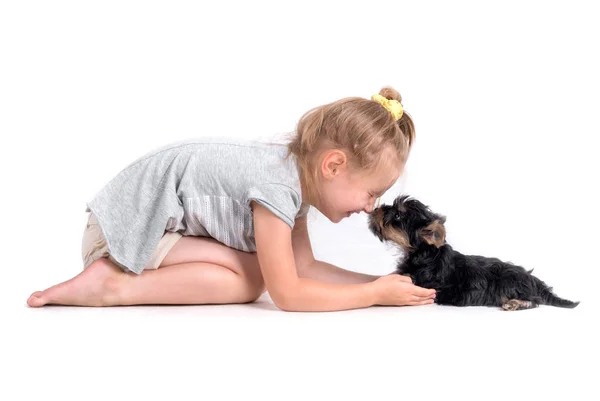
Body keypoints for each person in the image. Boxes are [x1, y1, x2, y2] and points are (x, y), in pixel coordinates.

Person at [27, 87, 436, 311]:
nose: (369, 206)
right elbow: (289, 294)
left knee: (259, 273)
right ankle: (111, 285)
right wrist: (371, 296)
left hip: (134, 229)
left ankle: (112, 281)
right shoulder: (278, 186)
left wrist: (382, 284)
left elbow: (304, 266)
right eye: (371, 192)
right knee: (256, 278)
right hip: (119, 234)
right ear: (333, 165)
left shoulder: (292, 177)